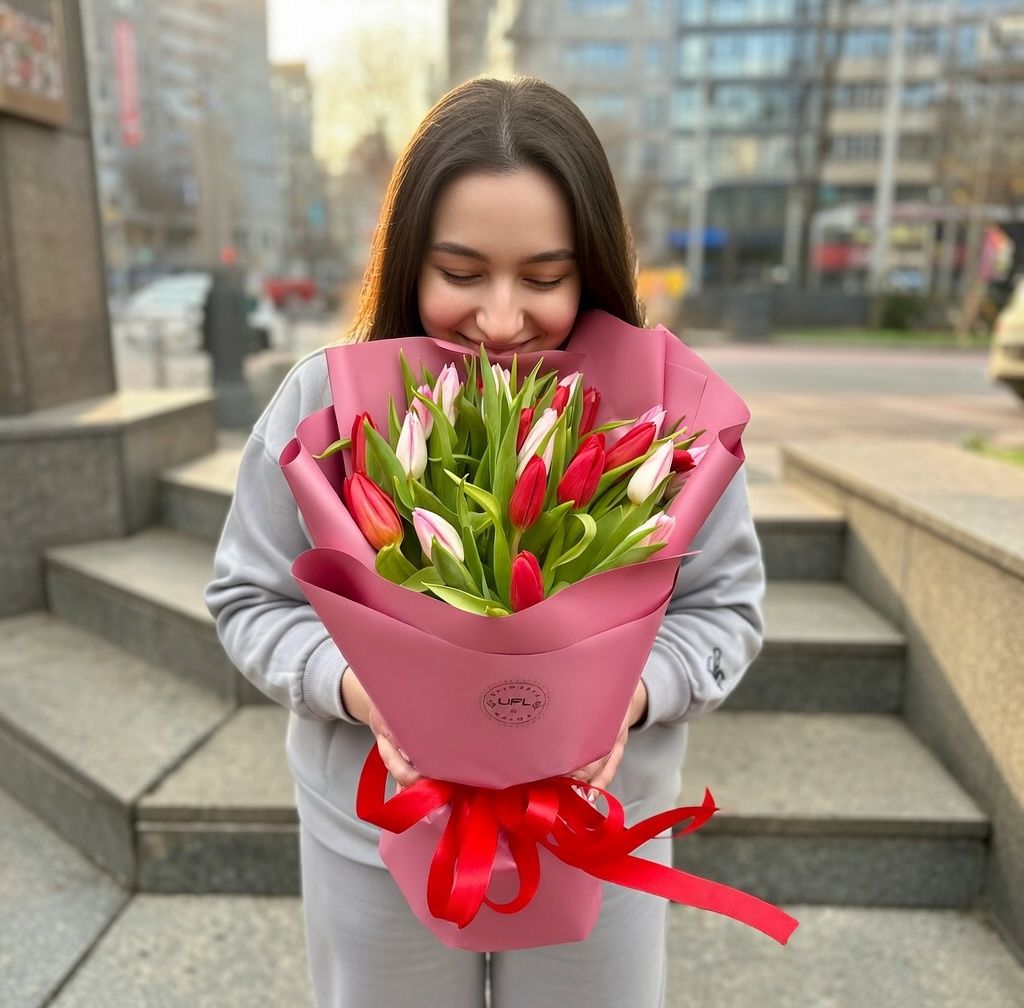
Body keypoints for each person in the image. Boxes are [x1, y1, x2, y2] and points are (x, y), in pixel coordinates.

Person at [205, 76, 764, 1008]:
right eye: (460, 274)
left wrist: (628, 696)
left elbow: (725, 610)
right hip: (380, 830)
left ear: (591, 267)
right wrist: (361, 688)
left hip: (597, 828)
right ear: (406, 261)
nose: (501, 321)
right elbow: (248, 597)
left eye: (544, 278)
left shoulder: (670, 417)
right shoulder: (323, 405)